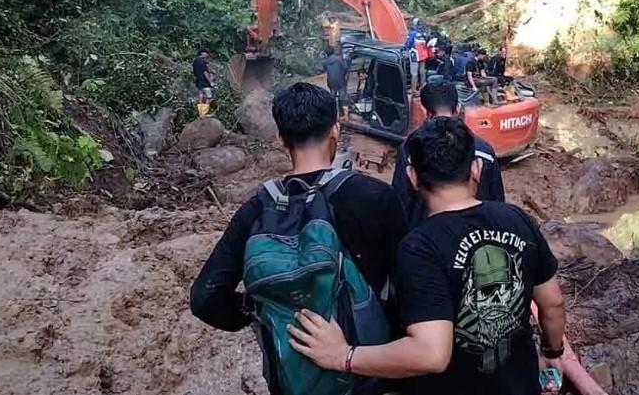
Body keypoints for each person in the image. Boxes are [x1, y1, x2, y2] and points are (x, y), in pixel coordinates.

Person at [287, 117, 567, 395]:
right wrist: (553, 352)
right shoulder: (517, 219)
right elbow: (552, 303)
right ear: (476, 168)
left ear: (412, 177)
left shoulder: (419, 248)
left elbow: (430, 354)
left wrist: (344, 356)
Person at [190, 82, 408, 395]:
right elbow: (409, 288)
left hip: (292, 380)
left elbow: (204, 297)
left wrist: (261, 309)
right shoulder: (376, 198)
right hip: (368, 375)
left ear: (280, 138)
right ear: (335, 130)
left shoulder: (257, 209)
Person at [392, 81, 504, 225]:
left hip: (427, 234)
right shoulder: (484, 151)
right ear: (457, 108)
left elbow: (401, 200)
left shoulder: (410, 150)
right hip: (475, 235)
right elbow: (497, 199)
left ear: (425, 111)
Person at [322, 45, 349, 115]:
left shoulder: (326, 62)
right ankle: (346, 115)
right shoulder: (339, 59)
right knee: (343, 96)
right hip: (341, 80)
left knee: (332, 96)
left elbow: (324, 69)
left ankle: (332, 113)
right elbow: (346, 68)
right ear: (333, 51)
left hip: (331, 82)